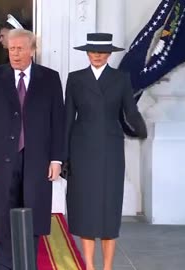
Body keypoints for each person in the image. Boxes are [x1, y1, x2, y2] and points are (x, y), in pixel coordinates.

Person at [0, 29, 65, 270]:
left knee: (33, 215)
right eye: (11, 49)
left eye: (20, 48)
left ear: (32, 50)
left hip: (37, 160)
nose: (14, 53)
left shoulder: (50, 78)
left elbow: (58, 121)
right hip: (0, 160)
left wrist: (57, 159)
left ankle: (27, 265)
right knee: (2, 215)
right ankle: (3, 266)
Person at [65, 33, 147, 270]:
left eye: (101, 52)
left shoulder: (121, 79)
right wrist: (63, 156)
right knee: (85, 209)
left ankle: (107, 267)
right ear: (87, 53)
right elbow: (68, 118)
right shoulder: (75, 78)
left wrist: (139, 129)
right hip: (81, 150)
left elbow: (130, 112)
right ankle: (90, 266)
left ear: (109, 54)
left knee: (109, 209)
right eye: (92, 51)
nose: (97, 55)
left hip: (111, 150)